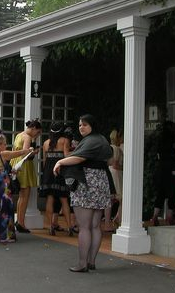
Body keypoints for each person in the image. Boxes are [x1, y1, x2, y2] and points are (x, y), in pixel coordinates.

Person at [54, 114, 113, 272]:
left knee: (84, 227)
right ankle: (91, 261)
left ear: (92, 125)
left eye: (85, 125)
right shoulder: (102, 139)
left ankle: (82, 263)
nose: (81, 127)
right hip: (101, 182)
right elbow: (110, 160)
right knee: (95, 226)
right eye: (80, 125)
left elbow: (78, 158)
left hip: (86, 182)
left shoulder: (90, 140)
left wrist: (59, 162)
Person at [0, 134, 34, 243]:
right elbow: (17, 153)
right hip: (2, 183)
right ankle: (6, 235)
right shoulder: (2, 154)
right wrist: (28, 150)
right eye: (4, 144)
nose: (6, 146)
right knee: (6, 208)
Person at [150, 121, 175, 226]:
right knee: (173, 193)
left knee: (160, 193)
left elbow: (158, 156)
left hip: (161, 168)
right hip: (172, 169)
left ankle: (155, 216)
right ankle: (170, 217)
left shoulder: (160, 140)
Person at [40, 122, 74, 236]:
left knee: (50, 199)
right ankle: (69, 227)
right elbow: (66, 155)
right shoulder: (64, 140)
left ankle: (50, 227)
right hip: (60, 171)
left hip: (48, 172)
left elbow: (44, 161)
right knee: (64, 199)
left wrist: (46, 173)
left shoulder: (46, 143)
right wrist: (76, 152)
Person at [10, 119, 42, 233]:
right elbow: (25, 153)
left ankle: (19, 220)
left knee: (21, 196)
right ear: (33, 128)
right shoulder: (27, 137)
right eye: (38, 132)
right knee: (25, 195)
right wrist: (34, 152)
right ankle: (21, 223)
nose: (38, 134)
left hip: (16, 163)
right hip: (24, 165)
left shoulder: (19, 135)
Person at [105, 129, 123, 231]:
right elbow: (115, 165)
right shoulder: (116, 149)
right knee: (121, 198)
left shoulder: (109, 147)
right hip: (116, 174)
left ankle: (110, 221)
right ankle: (118, 218)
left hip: (110, 172)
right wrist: (125, 168)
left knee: (110, 199)